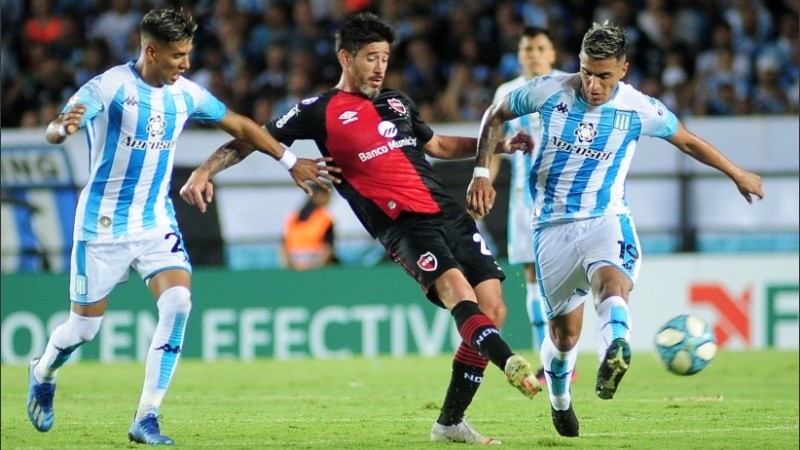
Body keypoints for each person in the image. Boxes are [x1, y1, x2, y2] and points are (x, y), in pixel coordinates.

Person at [180, 12, 539, 445]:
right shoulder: (318, 111)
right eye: (371, 57)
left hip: (448, 212)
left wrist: (497, 144)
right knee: (456, 293)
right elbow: (249, 137)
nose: (380, 67)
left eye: (385, 57)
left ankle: (448, 424)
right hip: (401, 225)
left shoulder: (398, 103)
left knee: (493, 309)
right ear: (346, 58)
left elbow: (440, 145)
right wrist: (204, 171)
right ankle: (510, 364)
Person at [26, 8, 336, 446]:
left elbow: (243, 125)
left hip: (154, 220)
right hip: (102, 225)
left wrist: (289, 161)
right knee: (83, 330)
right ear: (151, 51)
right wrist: (62, 128)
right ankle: (43, 371)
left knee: (178, 304)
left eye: (188, 53)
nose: (186, 64)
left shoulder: (185, 93)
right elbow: (63, 122)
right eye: (177, 55)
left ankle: (146, 416)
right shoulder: (111, 87)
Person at [468, 21, 764, 438]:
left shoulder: (639, 107)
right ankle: (560, 401)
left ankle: (615, 350)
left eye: (603, 75)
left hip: (606, 218)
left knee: (612, 284)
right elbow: (495, 114)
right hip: (551, 227)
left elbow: (687, 140)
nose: (592, 83)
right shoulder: (549, 90)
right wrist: (481, 172)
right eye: (587, 71)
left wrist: (736, 173)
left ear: (623, 69)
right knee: (564, 337)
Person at [487, 26, 576, 384]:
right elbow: (492, 143)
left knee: (563, 279)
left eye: (540, 48)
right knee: (531, 278)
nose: (534, 54)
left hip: (565, 199)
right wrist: (484, 181)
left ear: (552, 54)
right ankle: (549, 359)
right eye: (527, 49)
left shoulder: (569, 86)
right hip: (524, 203)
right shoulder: (507, 93)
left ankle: (566, 351)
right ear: (519, 55)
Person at [282, 183, 336, 270]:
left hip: (296, 269)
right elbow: (328, 249)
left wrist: (292, 268)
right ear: (318, 195)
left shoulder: (292, 217)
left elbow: (283, 248)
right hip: (318, 269)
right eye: (328, 195)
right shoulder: (325, 219)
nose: (330, 199)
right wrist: (312, 269)